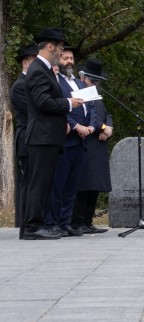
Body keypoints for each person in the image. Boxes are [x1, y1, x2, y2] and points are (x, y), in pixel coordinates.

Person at [23, 28, 84, 240]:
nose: (61, 51)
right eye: (59, 48)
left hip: (49, 136)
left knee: (45, 183)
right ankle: (32, 227)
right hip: (42, 136)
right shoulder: (39, 69)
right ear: (50, 46)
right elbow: (42, 102)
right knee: (39, 184)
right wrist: (69, 102)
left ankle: (39, 224)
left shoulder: (47, 69)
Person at [48, 47, 98, 236]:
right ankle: (53, 222)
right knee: (59, 184)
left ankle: (65, 222)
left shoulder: (80, 82)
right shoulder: (55, 82)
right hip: (66, 139)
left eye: (71, 58)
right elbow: (58, 108)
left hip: (82, 142)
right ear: (58, 60)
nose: (69, 61)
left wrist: (92, 127)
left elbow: (92, 107)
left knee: (72, 186)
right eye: (65, 58)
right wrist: (77, 126)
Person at [72, 57, 114, 234]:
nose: (95, 83)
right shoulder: (79, 93)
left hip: (99, 145)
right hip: (86, 142)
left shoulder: (95, 93)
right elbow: (92, 117)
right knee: (84, 185)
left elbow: (106, 113)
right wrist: (103, 128)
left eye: (97, 81)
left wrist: (109, 125)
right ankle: (78, 221)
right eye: (92, 80)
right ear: (82, 78)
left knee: (95, 185)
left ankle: (88, 221)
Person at [9, 43, 39, 237]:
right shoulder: (20, 86)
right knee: (28, 183)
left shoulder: (30, 84)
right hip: (27, 138)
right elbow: (32, 112)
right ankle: (25, 226)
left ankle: (34, 222)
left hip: (35, 137)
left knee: (34, 182)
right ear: (26, 62)